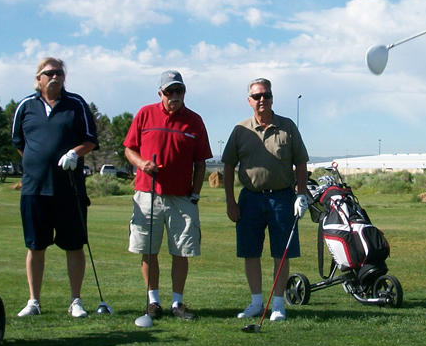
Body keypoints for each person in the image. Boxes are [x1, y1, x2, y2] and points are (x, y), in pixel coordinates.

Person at [11, 57, 99, 318]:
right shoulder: (26, 106)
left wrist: (74, 153)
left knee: (74, 245)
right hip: (34, 189)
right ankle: (34, 301)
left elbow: (91, 139)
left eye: (59, 73)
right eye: (49, 73)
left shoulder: (76, 104)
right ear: (39, 78)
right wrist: (37, 161)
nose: (55, 77)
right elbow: (19, 143)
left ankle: (76, 301)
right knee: (35, 246)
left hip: (68, 190)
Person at [124, 71, 211, 320]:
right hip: (147, 194)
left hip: (182, 198)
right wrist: (141, 164)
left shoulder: (194, 121)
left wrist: (195, 193)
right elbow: (129, 149)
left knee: (181, 251)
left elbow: (201, 162)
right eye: (169, 91)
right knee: (148, 250)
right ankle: (153, 301)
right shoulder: (145, 114)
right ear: (160, 93)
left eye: (179, 91)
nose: (174, 96)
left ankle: (177, 303)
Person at [222, 79, 310, 322]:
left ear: (272, 98)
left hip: (282, 197)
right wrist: (230, 201)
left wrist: (300, 195)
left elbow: (301, 163)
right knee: (250, 252)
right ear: (249, 100)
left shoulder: (287, 127)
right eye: (257, 96)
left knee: (281, 253)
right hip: (250, 198)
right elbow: (228, 165)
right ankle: (256, 303)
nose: (263, 100)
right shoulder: (240, 130)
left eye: (267, 95)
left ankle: (279, 304)